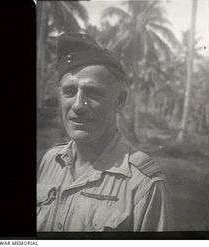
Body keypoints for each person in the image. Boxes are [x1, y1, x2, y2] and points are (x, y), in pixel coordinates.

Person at [37, 32, 172, 231]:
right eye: (69, 91)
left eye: (93, 92)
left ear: (120, 100)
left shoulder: (144, 185)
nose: (78, 105)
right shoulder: (50, 161)